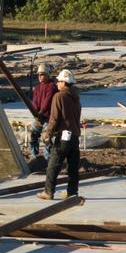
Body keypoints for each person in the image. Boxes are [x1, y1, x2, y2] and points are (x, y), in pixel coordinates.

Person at [38, 69, 82, 200]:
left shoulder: (59, 96)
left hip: (63, 136)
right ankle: (72, 192)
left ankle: (48, 191)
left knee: (53, 164)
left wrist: (48, 134)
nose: (57, 83)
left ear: (64, 82)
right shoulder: (76, 98)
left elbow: (54, 118)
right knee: (73, 167)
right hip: (74, 136)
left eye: (59, 81)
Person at [28, 64, 57, 172]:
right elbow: (35, 102)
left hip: (48, 117)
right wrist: (35, 113)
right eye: (39, 75)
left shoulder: (52, 87)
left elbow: (47, 102)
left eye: (42, 74)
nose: (40, 77)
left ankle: (47, 159)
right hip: (39, 117)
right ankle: (34, 155)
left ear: (48, 75)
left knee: (47, 138)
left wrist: (40, 113)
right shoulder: (37, 88)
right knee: (32, 134)